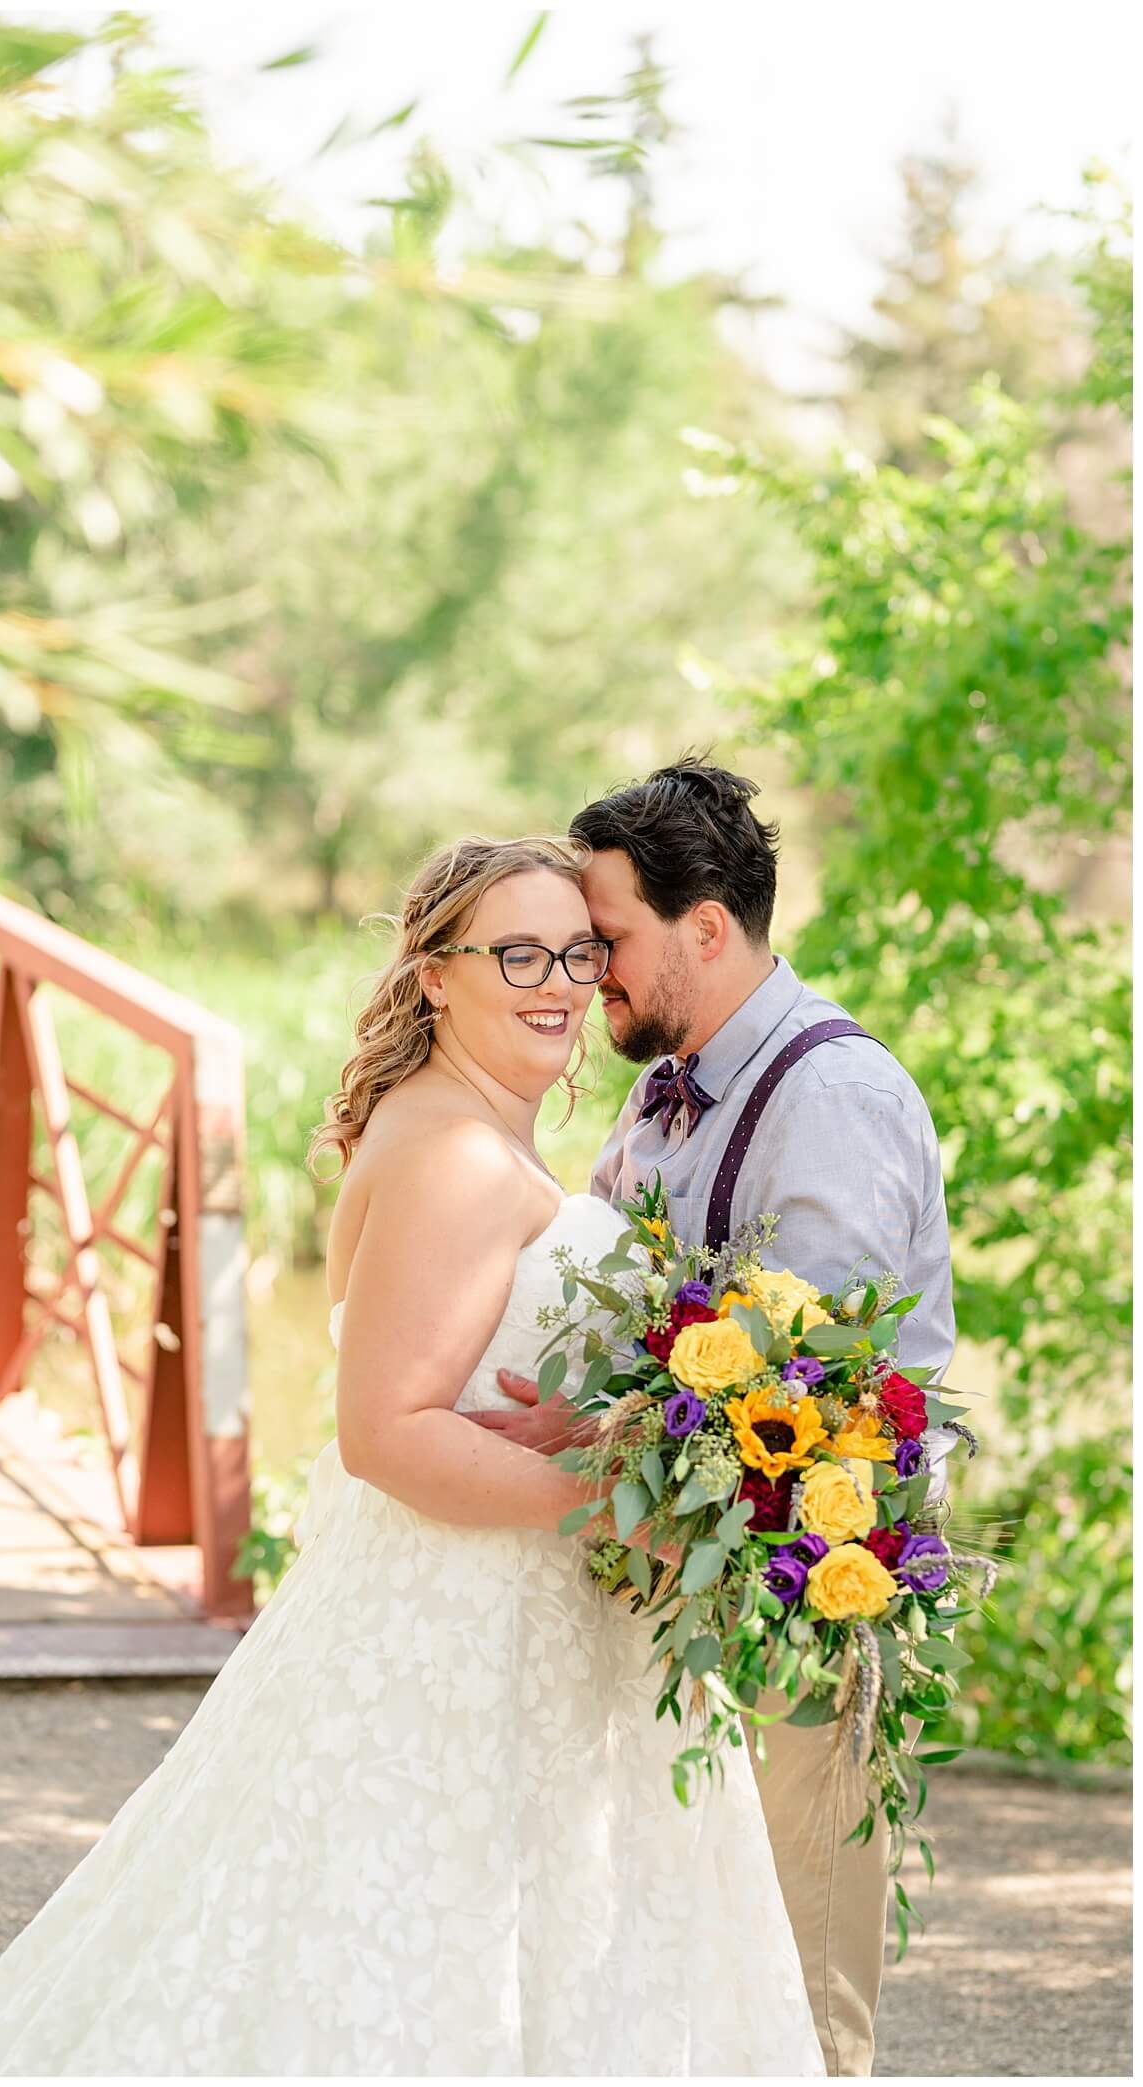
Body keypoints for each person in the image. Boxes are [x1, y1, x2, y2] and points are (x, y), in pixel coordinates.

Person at [0, 834, 824, 2079]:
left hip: (525, 1619)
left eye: (578, 950)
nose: (558, 979)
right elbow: (386, 1432)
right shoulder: (449, 1154)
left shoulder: (475, 1129)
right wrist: (619, 1500)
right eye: (517, 952)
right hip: (459, 1631)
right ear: (436, 976)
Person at [469, 762, 956, 2078]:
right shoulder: (661, 1087)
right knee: (687, 1974)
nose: (588, 974)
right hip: (685, 1584)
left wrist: (595, 1430)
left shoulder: (830, 1098)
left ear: (703, 926)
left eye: (607, 938)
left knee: (799, 1987)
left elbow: (816, 1392)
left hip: (809, 1587)